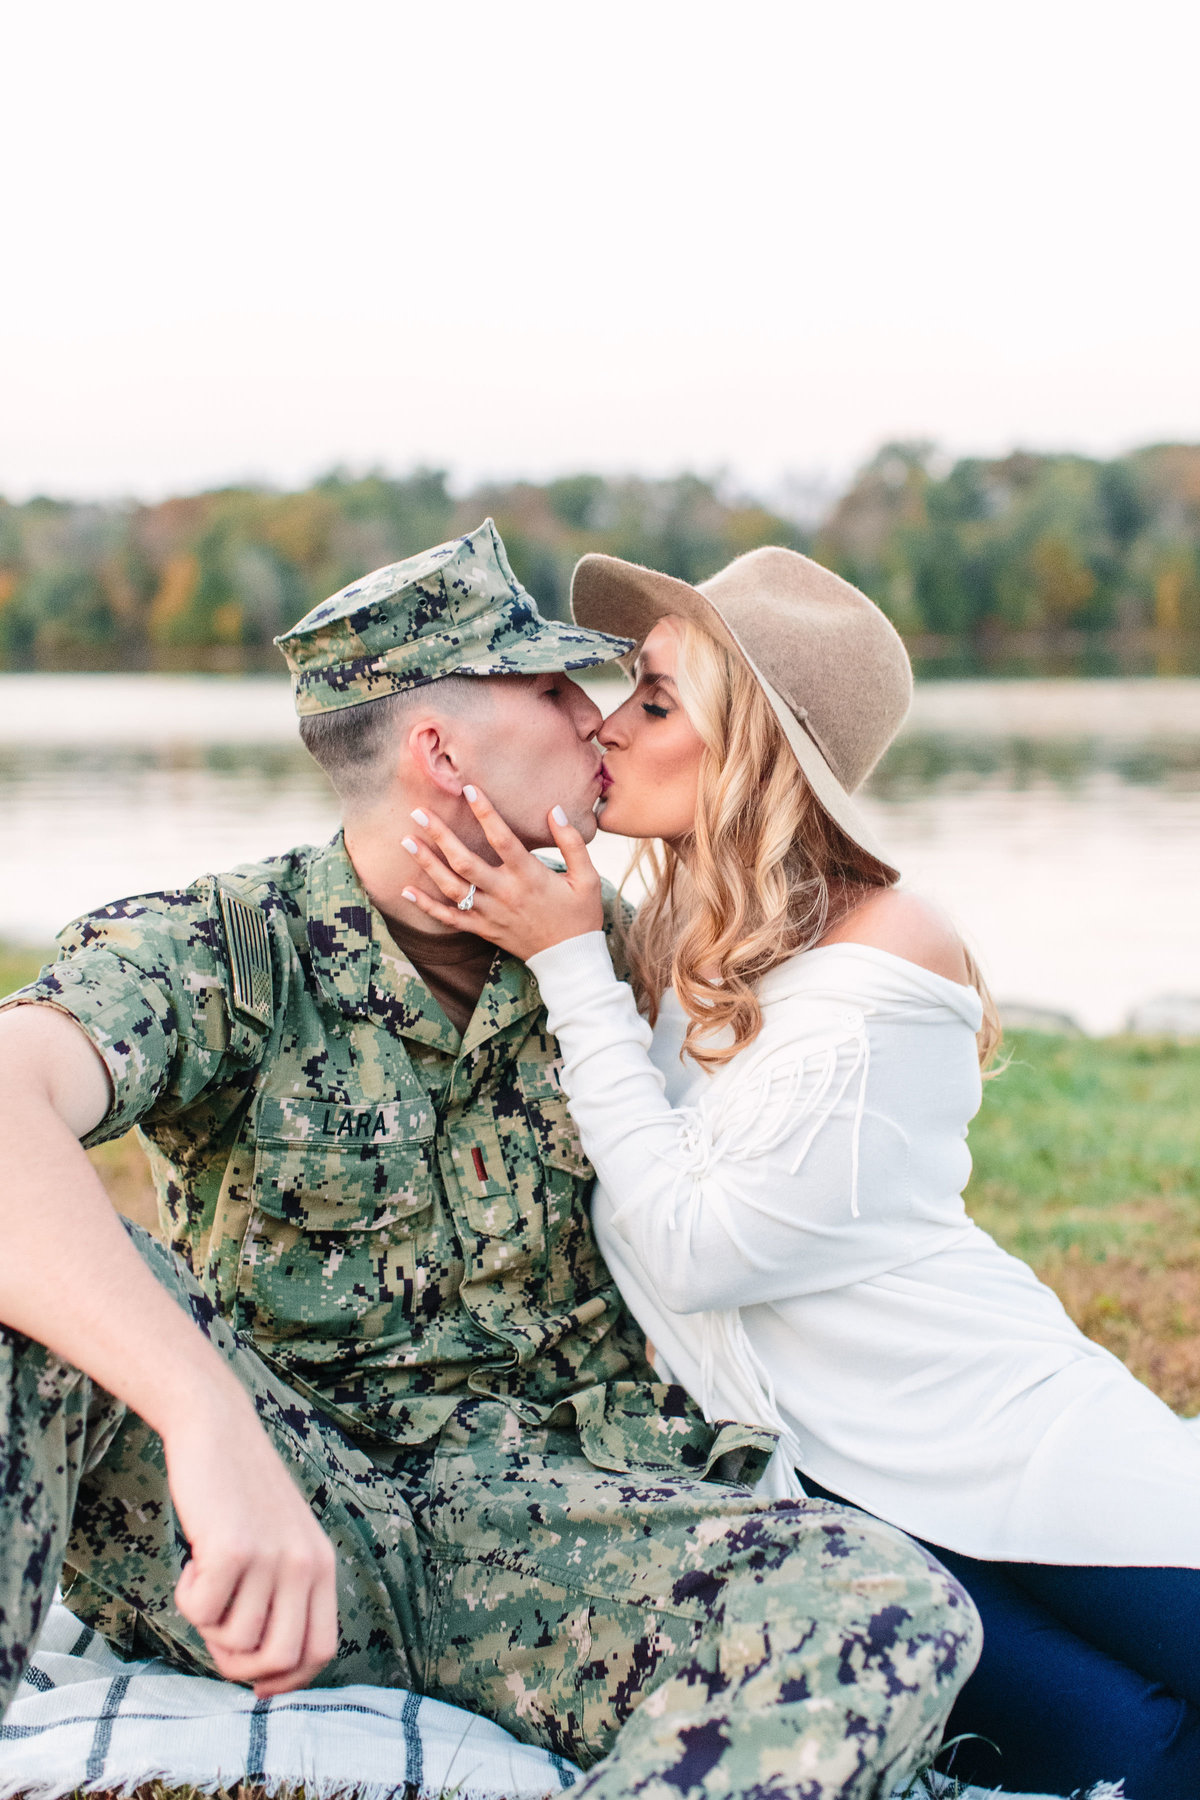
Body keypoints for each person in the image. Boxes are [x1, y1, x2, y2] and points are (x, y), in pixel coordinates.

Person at [0, 520, 981, 1800]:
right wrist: (205, 1417)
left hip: (561, 1535)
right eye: (551, 688)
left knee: (893, 1607)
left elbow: (802, 1130)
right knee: (42, 1300)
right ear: (441, 749)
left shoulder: (631, 959)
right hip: (282, 1530)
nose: (598, 718)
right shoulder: (230, 945)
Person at [398, 540, 1200, 1800]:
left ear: (756, 748)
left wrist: (568, 969)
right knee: (1138, 1752)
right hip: (845, 1494)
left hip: (1006, 1444)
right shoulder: (692, 932)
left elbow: (692, 1250)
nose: (607, 725)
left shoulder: (882, 954)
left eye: (657, 702)